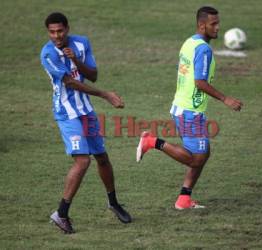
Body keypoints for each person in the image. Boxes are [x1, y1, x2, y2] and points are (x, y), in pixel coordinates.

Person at [136, 6, 243, 209]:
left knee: (203, 154)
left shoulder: (190, 42)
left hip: (185, 107)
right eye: (214, 24)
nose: (218, 27)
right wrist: (225, 99)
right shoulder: (203, 49)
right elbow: (199, 82)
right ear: (202, 25)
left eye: (218, 23)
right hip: (189, 111)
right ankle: (151, 141)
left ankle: (184, 198)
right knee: (196, 159)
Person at [40, 12, 131, 234]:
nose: (56, 36)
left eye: (60, 31)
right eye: (52, 32)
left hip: (86, 111)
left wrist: (76, 60)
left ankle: (113, 202)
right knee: (82, 161)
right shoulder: (48, 54)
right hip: (67, 113)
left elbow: (93, 75)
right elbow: (70, 83)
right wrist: (105, 95)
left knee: (102, 157)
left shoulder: (81, 43)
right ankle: (61, 214)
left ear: (67, 29)